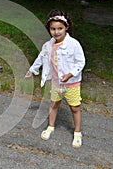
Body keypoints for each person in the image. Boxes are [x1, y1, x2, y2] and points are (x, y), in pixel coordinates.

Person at [25, 9, 85, 148]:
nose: (56, 32)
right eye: (53, 29)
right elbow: (41, 58)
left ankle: (77, 132)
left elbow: (80, 62)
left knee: (75, 107)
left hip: (71, 83)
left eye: (60, 28)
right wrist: (32, 70)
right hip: (56, 82)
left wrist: (70, 74)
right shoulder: (48, 45)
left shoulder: (74, 44)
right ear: (49, 29)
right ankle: (50, 126)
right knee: (54, 104)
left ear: (66, 27)